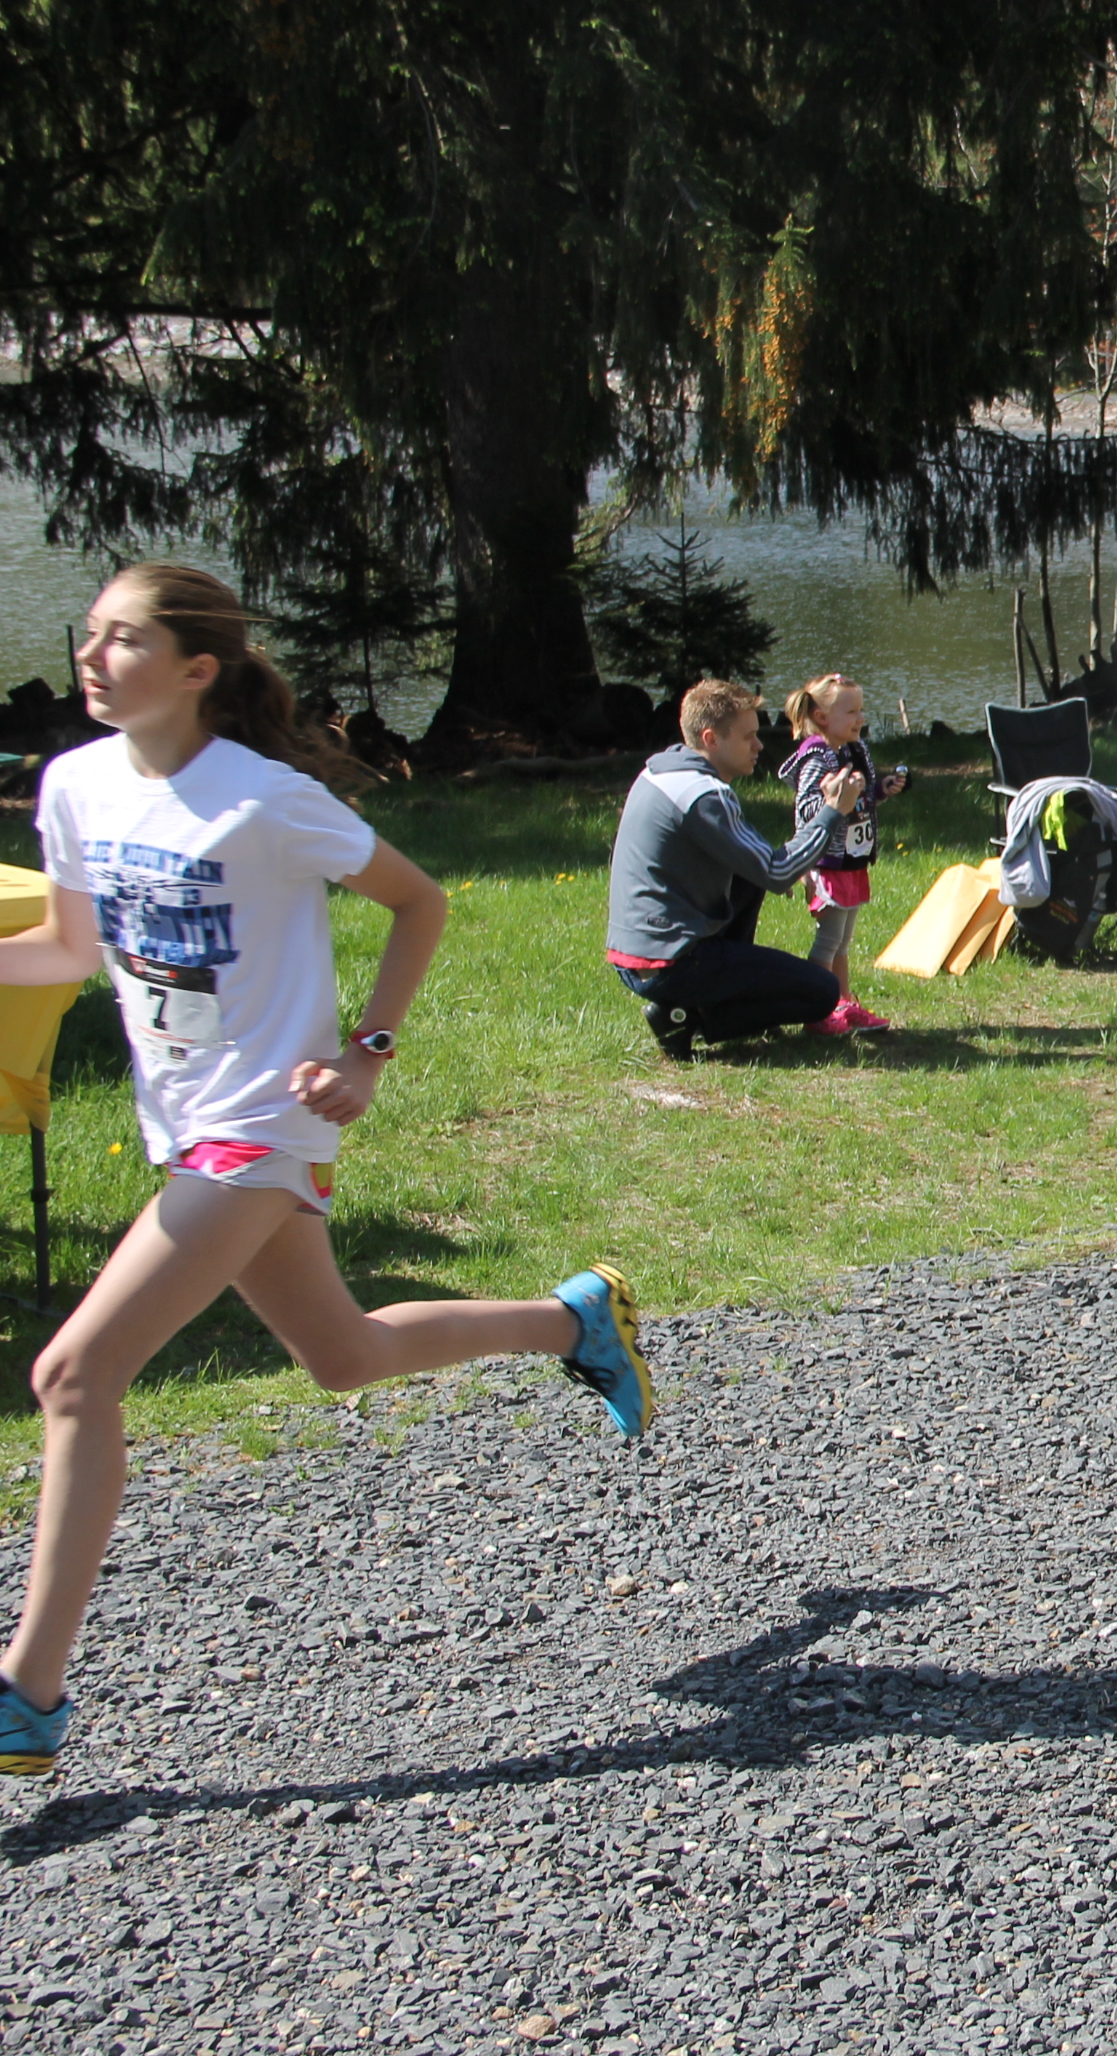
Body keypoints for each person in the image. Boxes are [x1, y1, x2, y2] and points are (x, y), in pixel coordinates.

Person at [0, 563, 654, 1778]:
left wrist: (369, 1051)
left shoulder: (265, 801)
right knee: (342, 1354)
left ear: (196, 669)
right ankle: (575, 1321)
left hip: (264, 1124)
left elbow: (420, 901)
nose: (91, 655)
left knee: (73, 1373)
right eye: (89, 633)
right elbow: (65, 948)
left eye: (123, 638)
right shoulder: (76, 784)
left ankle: (27, 1693)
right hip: (183, 1125)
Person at [608, 680, 868, 1060]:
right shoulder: (703, 796)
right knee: (822, 992)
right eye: (748, 737)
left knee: (749, 876)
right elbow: (778, 872)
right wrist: (832, 811)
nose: (759, 745)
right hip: (671, 963)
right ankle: (690, 1018)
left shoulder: (660, 772)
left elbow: (761, 866)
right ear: (711, 739)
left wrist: (780, 867)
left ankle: (712, 997)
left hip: (634, 955)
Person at [779, 672, 907, 1035]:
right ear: (821, 717)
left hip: (852, 860)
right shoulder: (817, 758)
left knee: (843, 942)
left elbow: (859, 799)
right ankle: (816, 1011)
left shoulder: (854, 750)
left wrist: (880, 790)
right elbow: (806, 810)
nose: (860, 718)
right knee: (829, 940)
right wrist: (832, 797)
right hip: (827, 863)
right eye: (851, 712)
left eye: (861, 710)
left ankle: (843, 1003)